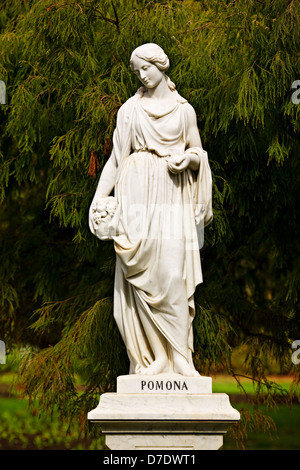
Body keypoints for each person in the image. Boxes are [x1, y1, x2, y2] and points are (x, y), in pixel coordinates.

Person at [89, 43, 213, 376]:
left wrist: (188, 159)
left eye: (146, 68)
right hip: (136, 192)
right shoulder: (130, 110)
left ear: (161, 66)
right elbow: (117, 159)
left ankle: (181, 358)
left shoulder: (184, 110)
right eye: (137, 71)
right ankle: (156, 358)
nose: (142, 76)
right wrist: (99, 200)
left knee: (172, 274)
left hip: (172, 193)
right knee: (139, 275)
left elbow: (197, 151)